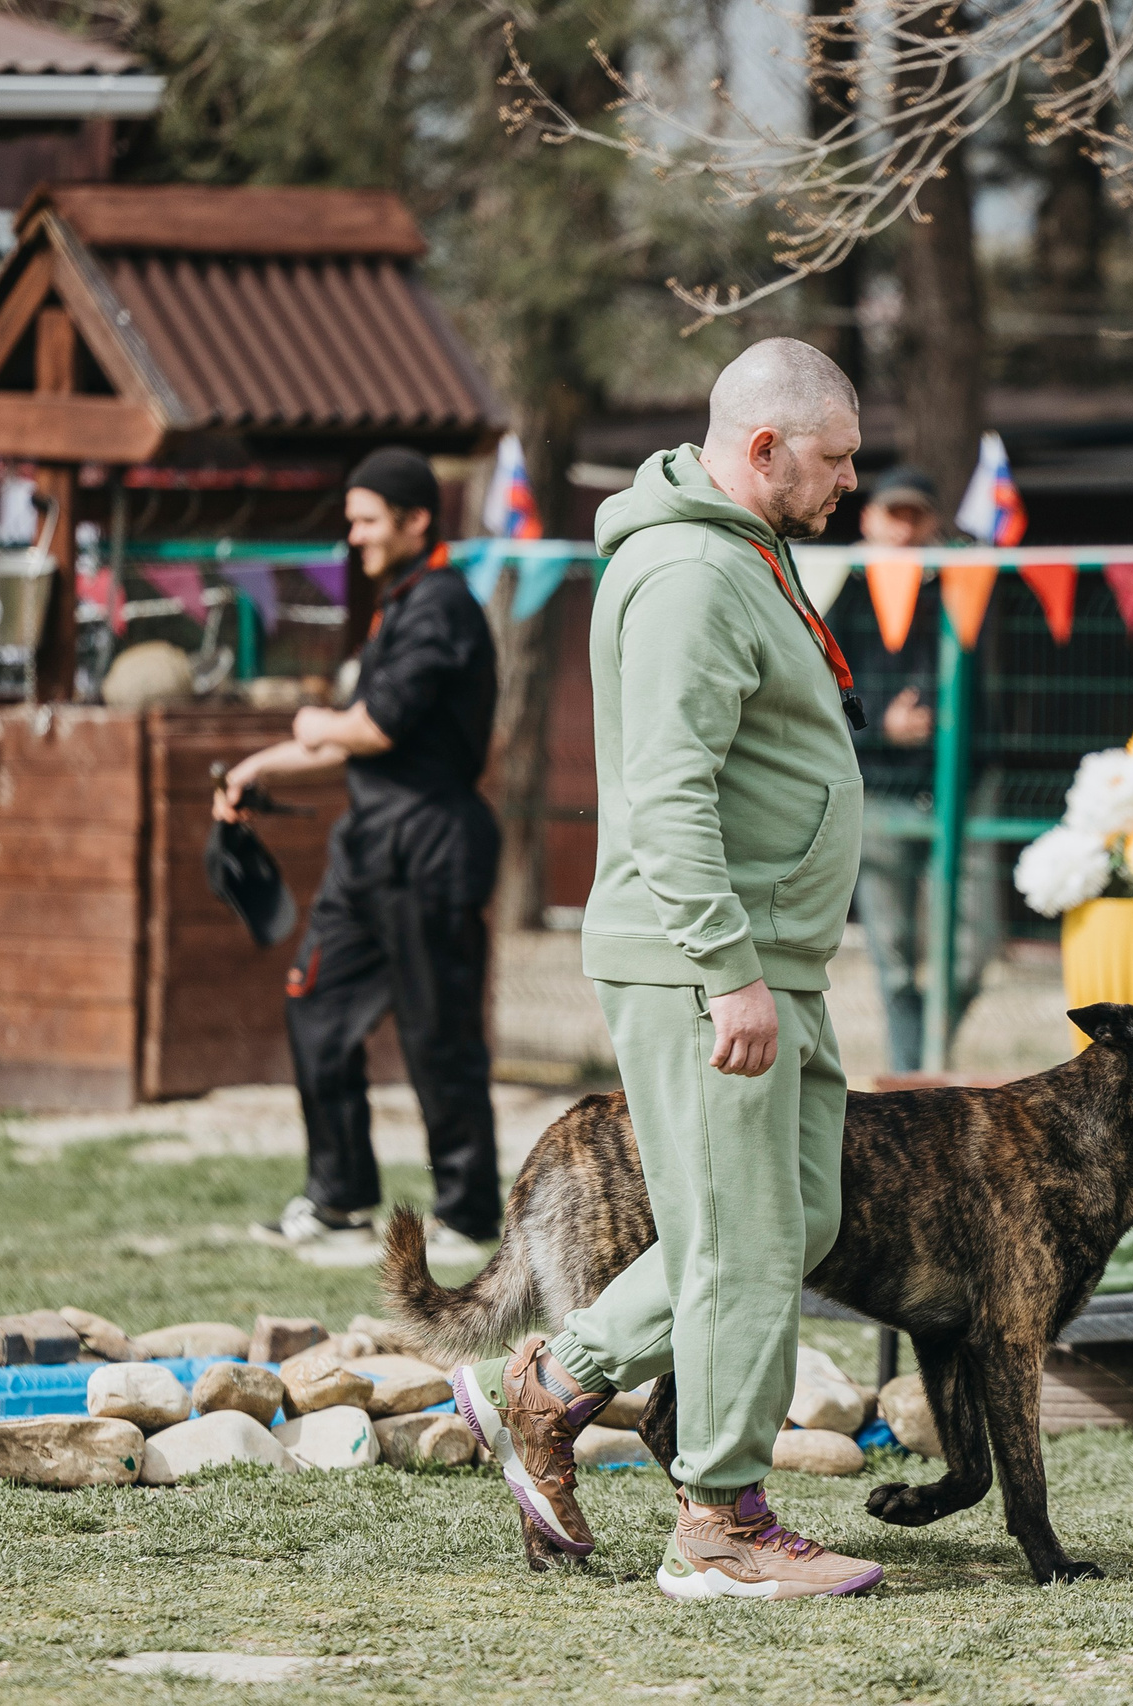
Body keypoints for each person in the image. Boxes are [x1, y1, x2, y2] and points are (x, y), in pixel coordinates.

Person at [451, 337, 884, 1600]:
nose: (850, 481)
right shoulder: (694, 570)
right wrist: (726, 970)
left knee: (790, 1216)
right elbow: (666, 792)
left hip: (765, 954)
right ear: (763, 447)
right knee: (743, 1233)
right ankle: (721, 1525)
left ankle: (555, 1376)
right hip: (716, 958)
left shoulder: (742, 549)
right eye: (836, 457)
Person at [220, 449, 504, 1265]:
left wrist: (315, 722)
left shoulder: (444, 606)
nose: (354, 535)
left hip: (433, 847)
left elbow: (370, 727)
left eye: (367, 519)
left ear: (417, 520)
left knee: (437, 1035)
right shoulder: (399, 603)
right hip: (369, 848)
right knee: (315, 1004)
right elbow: (358, 738)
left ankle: (467, 1213)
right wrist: (255, 768)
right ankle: (339, 1195)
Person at [845, 464, 1003, 1071]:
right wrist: (879, 723)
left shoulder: (964, 579)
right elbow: (829, 690)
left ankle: (925, 1061)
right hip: (879, 787)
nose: (906, 528)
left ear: (934, 522)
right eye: (895, 514)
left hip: (963, 787)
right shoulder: (837, 587)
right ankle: (911, 1076)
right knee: (894, 951)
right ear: (869, 520)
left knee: (972, 951)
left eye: (917, 515)